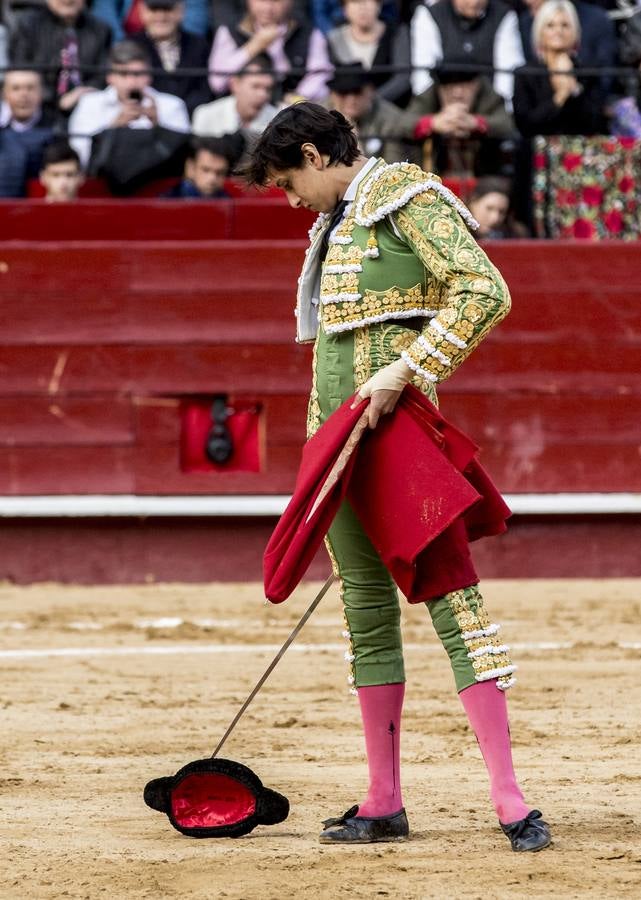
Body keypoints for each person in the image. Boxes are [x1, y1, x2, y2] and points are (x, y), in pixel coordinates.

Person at [244, 101, 551, 851]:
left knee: (456, 605)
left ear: (315, 155)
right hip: (335, 439)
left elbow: (485, 292)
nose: (291, 202)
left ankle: (510, 801)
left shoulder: (406, 196)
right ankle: (383, 800)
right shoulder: (333, 226)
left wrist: (407, 370)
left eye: (289, 182)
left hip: (399, 440)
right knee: (365, 610)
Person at [68, 39, 190, 169]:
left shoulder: (172, 105)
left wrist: (158, 127)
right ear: (110, 77)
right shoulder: (90, 104)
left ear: (149, 75)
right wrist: (113, 127)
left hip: (158, 181)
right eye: (123, 74)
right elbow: (80, 156)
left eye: (138, 74)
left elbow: (184, 159)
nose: (131, 82)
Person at [208, 0, 333, 101]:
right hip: (241, 111)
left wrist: (297, 98)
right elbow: (217, 83)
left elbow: (321, 74)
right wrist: (254, 46)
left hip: (292, 113)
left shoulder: (308, 33)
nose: (268, 8)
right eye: (262, 0)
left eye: (275, 1)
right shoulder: (229, 31)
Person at [404, 62, 515, 175]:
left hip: (484, 178)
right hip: (432, 178)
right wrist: (432, 123)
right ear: (439, 88)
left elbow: (509, 124)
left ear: (477, 85)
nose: (457, 93)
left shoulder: (488, 95)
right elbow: (403, 123)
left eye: (465, 84)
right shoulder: (429, 95)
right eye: (449, 86)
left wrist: (476, 123)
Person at [9, 0, 112, 120]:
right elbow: (21, 70)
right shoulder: (29, 25)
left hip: (87, 105)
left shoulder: (100, 29)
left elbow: (102, 74)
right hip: (40, 107)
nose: (67, 1)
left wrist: (82, 95)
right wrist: (57, 99)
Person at [410, 0, 525, 106]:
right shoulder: (429, 14)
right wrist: (438, 114)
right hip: (440, 109)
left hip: (489, 107)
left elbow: (508, 74)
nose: (474, 3)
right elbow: (423, 75)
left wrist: (499, 110)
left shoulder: (504, 14)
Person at [131, 0, 212, 114]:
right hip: (146, 121)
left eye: (168, 10)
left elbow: (204, 90)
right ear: (142, 11)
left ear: (181, 10)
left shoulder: (198, 46)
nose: (161, 17)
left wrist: (179, 113)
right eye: (154, 10)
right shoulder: (131, 46)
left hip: (191, 119)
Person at [326, 0, 411, 106]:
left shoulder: (397, 33)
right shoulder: (335, 38)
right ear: (345, 9)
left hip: (389, 108)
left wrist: (370, 101)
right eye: (355, 2)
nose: (362, 8)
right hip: (345, 109)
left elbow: (402, 78)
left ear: (379, 5)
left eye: (368, 1)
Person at [326, 61, 412, 161]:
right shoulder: (318, 118)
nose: (351, 99)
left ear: (370, 90)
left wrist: (354, 144)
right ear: (332, 95)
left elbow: (393, 168)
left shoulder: (390, 119)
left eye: (357, 91)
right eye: (343, 92)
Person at [192, 55, 277, 139]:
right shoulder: (206, 115)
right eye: (255, 86)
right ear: (235, 84)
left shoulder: (276, 121)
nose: (263, 95)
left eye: (268, 89)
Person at [0, 69, 56, 196]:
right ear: (4, 94)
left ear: (41, 92)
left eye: (30, 88)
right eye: (16, 88)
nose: (23, 94)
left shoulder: (58, 126)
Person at [90, 0, 209, 41]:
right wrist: (126, 48)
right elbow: (104, 12)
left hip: (174, 47)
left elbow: (195, 20)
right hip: (129, 48)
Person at [162, 136, 233, 198]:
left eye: (220, 172)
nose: (212, 178)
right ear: (190, 168)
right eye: (206, 170)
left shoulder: (229, 201)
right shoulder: (168, 202)